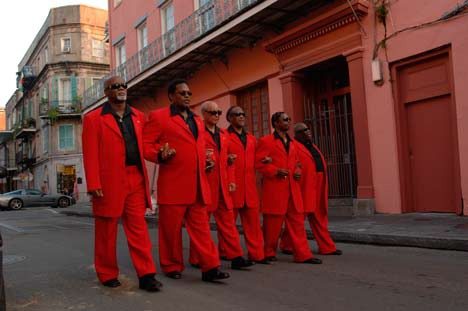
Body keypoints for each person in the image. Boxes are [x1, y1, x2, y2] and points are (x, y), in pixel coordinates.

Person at [143, 79, 230, 282]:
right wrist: (160, 155)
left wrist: (206, 160)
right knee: (170, 232)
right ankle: (171, 265)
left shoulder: (197, 120)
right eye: (182, 93)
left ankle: (210, 267)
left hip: (198, 185)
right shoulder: (159, 117)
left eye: (189, 93)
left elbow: (198, 146)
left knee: (202, 230)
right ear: (171, 96)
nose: (187, 96)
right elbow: (146, 145)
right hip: (173, 185)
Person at [82, 75, 162, 292]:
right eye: (114, 86)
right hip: (108, 182)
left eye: (123, 85)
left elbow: (146, 146)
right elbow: (90, 154)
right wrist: (94, 183)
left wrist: (160, 154)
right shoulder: (93, 119)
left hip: (135, 177)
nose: (120, 89)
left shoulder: (138, 116)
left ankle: (147, 275)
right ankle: (107, 273)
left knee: (139, 230)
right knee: (106, 230)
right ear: (106, 92)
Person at [189, 101, 254, 270]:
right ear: (204, 114)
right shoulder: (197, 133)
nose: (216, 115)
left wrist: (231, 180)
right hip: (206, 185)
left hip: (223, 186)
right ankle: (197, 258)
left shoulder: (223, 135)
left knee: (228, 223)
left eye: (218, 112)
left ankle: (236, 257)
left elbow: (228, 161)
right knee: (202, 224)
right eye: (212, 112)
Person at [255, 112, 321, 264]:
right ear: (276, 123)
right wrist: (275, 171)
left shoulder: (292, 143)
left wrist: (298, 172)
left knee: (297, 222)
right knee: (272, 225)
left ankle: (303, 255)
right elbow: (259, 163)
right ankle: (268, 251)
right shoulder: (266, 141)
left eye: (289, 119)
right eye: (285, 119)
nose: (288, 121)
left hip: (293, 189)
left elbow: (297, 163)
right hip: (275, 188)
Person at [280, 123, 342, 256]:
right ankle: (287, 244)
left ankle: (327, 247)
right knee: (298, 218)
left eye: (308, 129)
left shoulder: (312, 145)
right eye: (303, 130)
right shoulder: (293, 146)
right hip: (303, 186)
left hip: (318, 184)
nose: (308, 132)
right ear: (297, 135)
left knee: (319, 216)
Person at [222, 106, 269, 264]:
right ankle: (227, 252)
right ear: (229, 118)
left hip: (249, 187)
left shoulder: (251, 138)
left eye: (243, 114)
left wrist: (264, 161)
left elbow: (255, 161)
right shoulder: (223, 136)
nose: (241, 116)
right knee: (229, 223)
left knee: (254, 224)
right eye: (237, 114)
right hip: (231, 186)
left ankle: (257, 255)